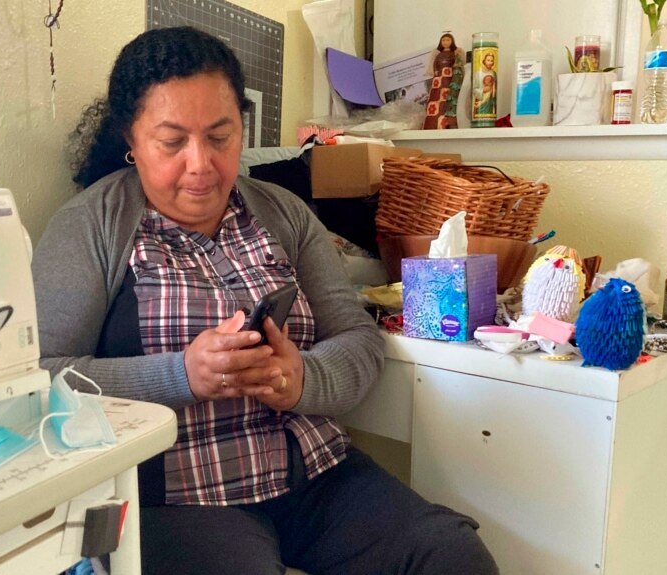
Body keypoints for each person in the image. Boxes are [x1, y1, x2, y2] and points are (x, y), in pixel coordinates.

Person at [33, 26, 499, 575]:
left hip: (314, 475)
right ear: (130, 142)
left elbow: (357, 339)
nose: (201, 164)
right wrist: (181, 375)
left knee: (450, 556)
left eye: (220, 136)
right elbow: (42, 381)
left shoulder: (283, 212)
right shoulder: (92, 226)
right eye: (172, 141)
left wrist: (301, 378)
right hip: (179, 497)